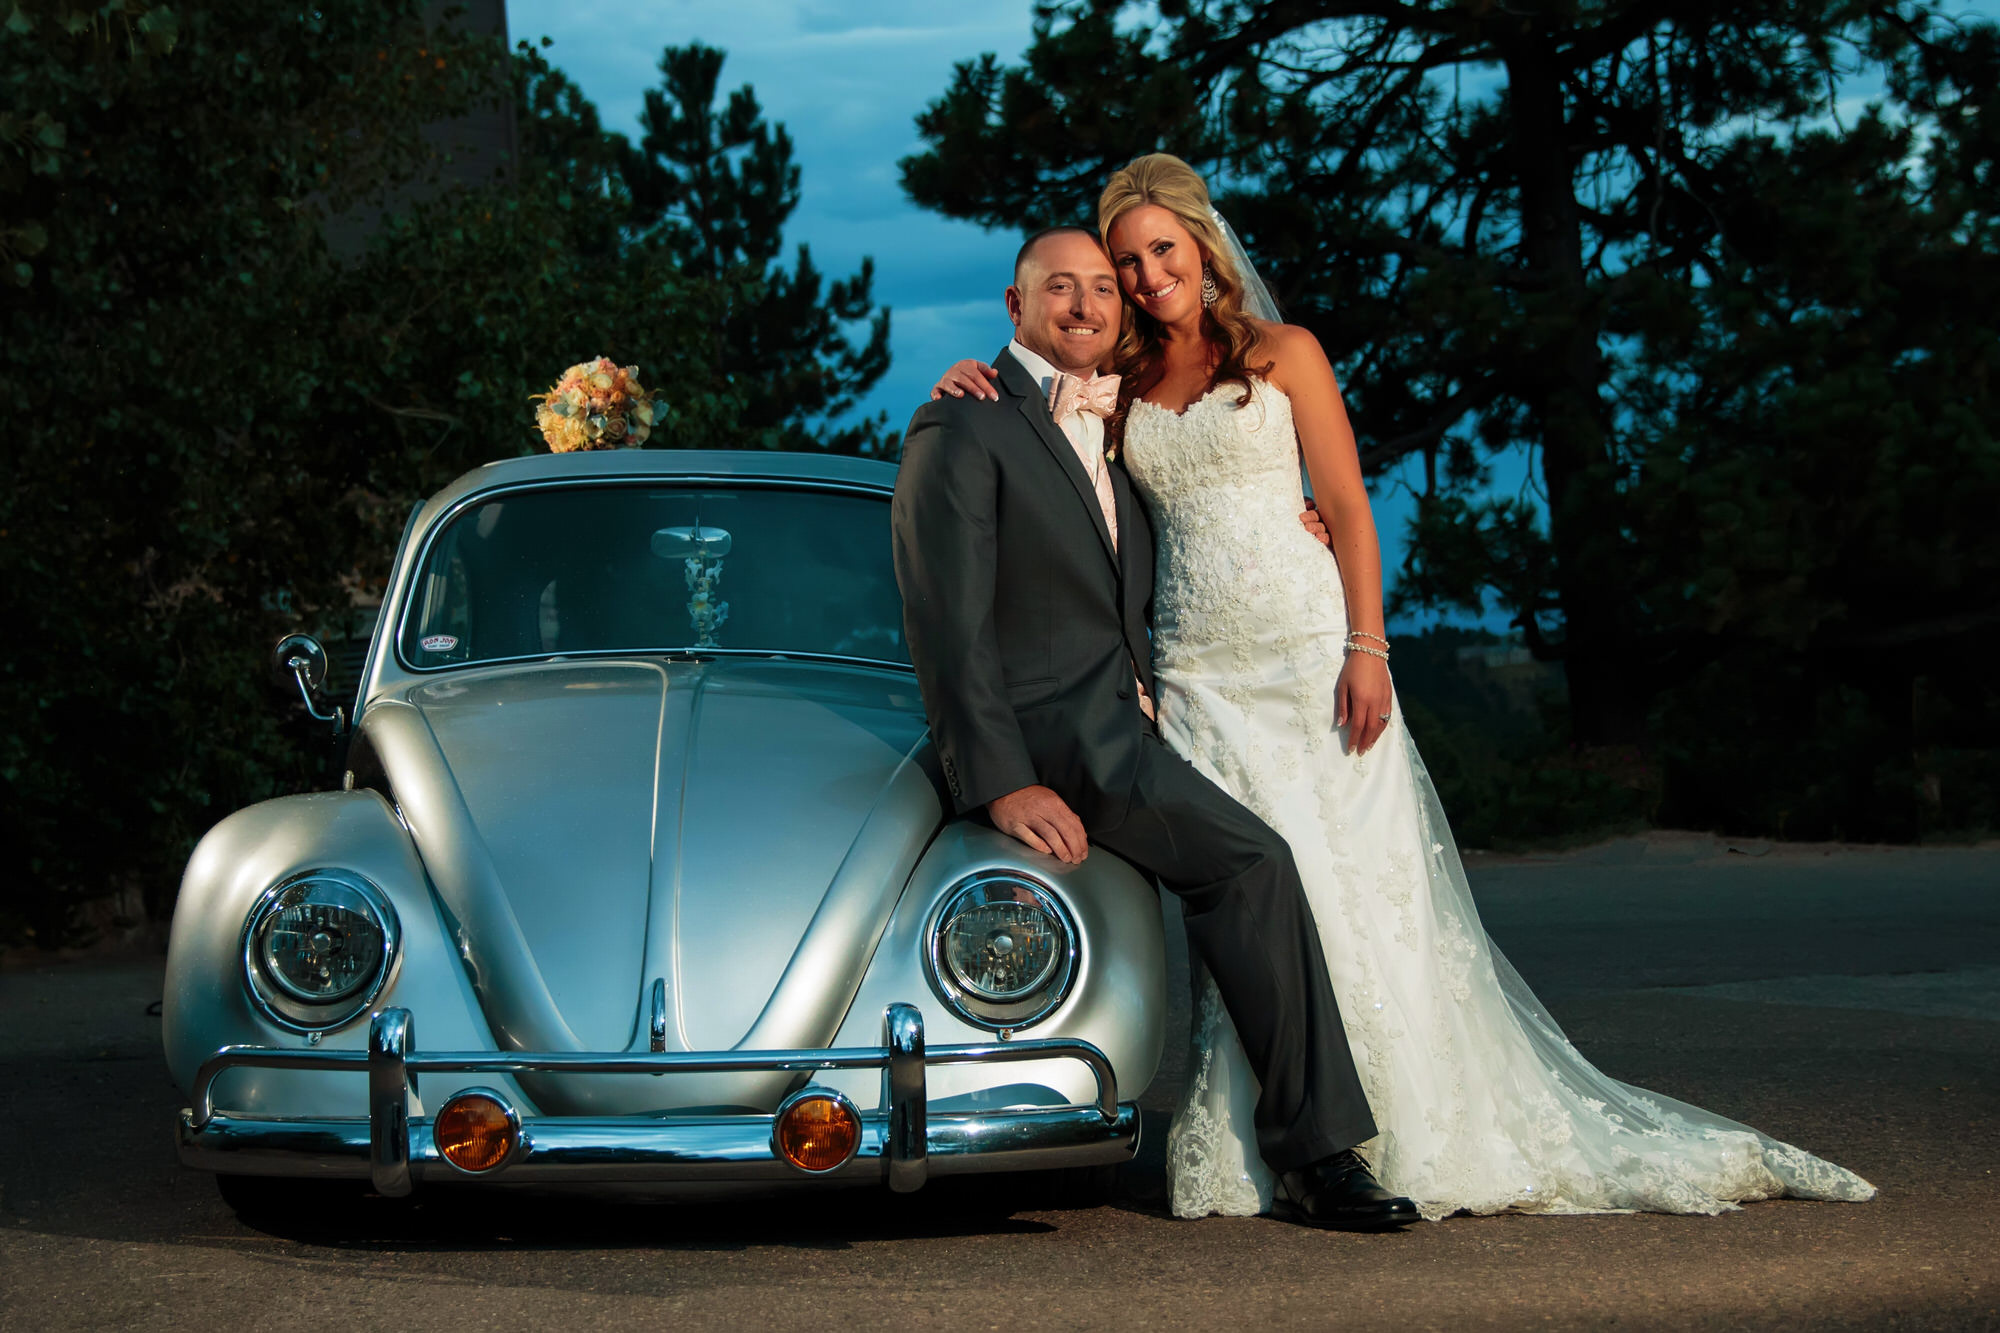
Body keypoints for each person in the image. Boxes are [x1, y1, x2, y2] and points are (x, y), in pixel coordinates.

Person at [927, 153, 1877, 1221]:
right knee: (1263, 896)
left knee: (1362, 895)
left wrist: (1366, 647)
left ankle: (1407, 1129)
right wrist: (979, 377)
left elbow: (1345, 501)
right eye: (1121, 263)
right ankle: (1289, 1141)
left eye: (1157, 254)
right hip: (1196, 678)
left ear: (1202, 246)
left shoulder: (1283, 354)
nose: (1141, 279)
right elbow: (1061, 484)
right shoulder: (1122, 388)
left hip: (1308, 655)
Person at [892, 225, 1421, 1230]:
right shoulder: (959, 424)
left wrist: (1297, 519)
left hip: (1149, 707)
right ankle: (1316, 1156)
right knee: (1251, 863)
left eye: (1103, 288)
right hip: (1068, 743)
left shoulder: (1115, 411)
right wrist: (1002, 779)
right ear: (1014, 309)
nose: (1088, 304)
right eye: (1061, 288)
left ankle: (1306, 1139)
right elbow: (944, 625)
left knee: (1259, 861)